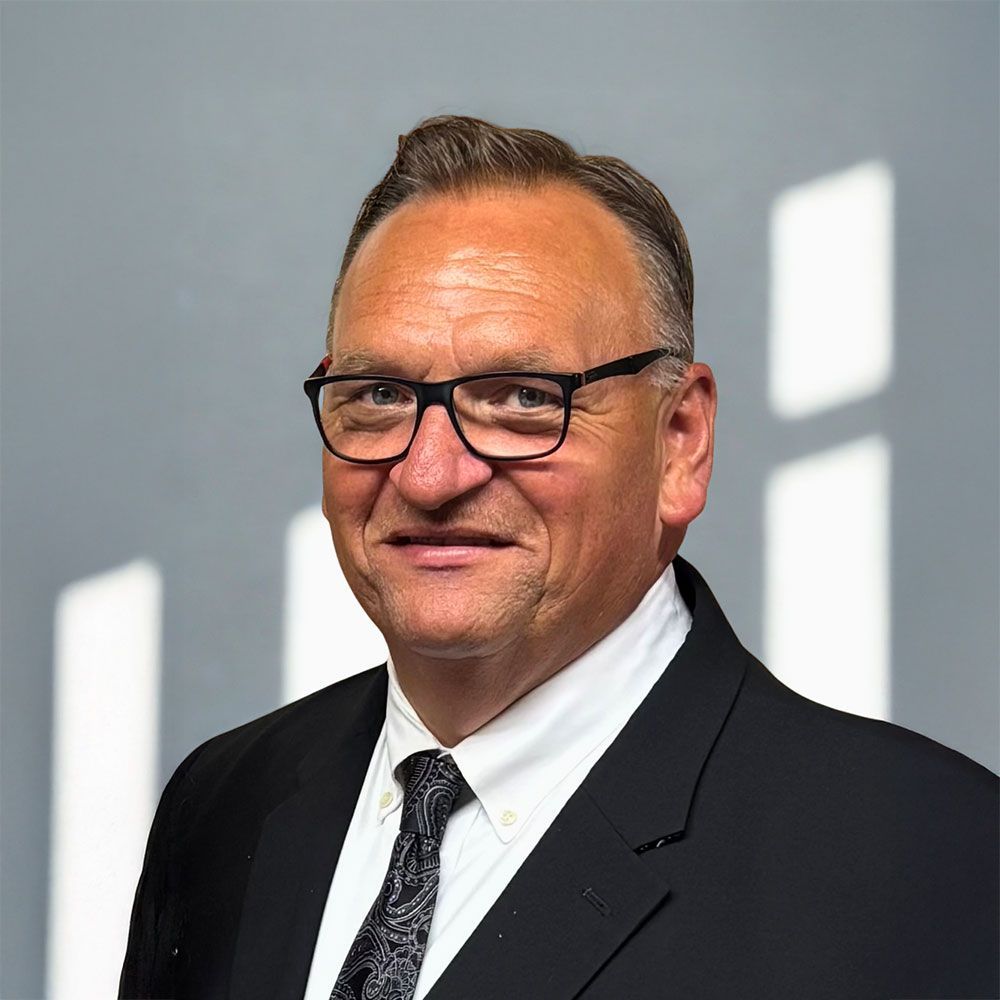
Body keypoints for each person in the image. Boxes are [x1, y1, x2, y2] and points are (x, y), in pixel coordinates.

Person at [120, 115, 998, 1000]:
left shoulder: (930, 864)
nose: (429, 474)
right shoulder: (222, 806)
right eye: (381, 394)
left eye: (523, 399)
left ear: (680, 443)